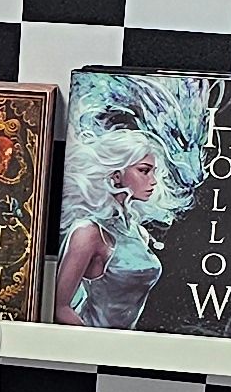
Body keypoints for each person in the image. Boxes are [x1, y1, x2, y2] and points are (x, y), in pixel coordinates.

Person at [52, 123, 170, 330]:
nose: (153, 181)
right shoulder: (89, 233)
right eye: (144, 171)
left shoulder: (138, 233)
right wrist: (99, 343)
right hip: (92, 343)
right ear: (116, 175)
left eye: (153, 172)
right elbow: (60, 308)